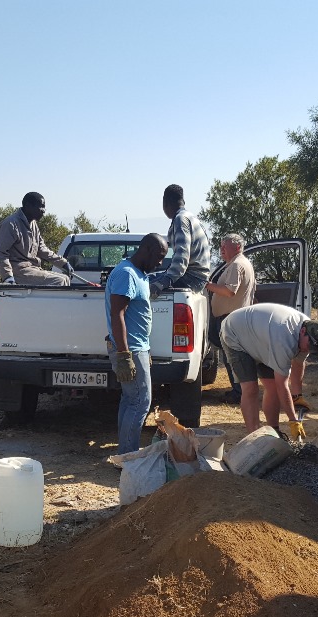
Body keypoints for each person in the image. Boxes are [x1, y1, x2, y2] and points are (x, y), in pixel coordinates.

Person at [220, 303, 318, 439]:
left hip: (262, 337)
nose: (309, 350)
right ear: (303, 332)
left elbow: (298, 363)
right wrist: (293, 420)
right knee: (250, 388)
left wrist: (297, 396)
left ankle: (274, 432)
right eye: (310, 346)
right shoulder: (284, 340)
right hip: (236, 332)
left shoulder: (309, 333)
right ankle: (254, 438)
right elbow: (282, 385)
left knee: (272, 386)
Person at [106, 233, 169, 454]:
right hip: (130, 349)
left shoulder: (139, 273)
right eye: (159, 256)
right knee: (141, 401)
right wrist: (124, 355)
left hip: (137, 347)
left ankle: (126, 453)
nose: (160, 262)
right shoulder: (127, 274)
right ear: (147, 250)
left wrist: (145, 348)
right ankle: (129, 456)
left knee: (131, 399)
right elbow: (118, 314)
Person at [204, 232, 256, 403]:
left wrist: (207, 285)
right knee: (232, 357)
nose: (222, 249)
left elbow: (229, 291)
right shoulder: (240, 263)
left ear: (238, 247)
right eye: (221, 246)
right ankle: (238, 390)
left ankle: (239, 393)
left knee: (233, 358)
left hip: (231, 319)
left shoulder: (236, 265)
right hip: (235, 318)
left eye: (225, 246)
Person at [0, 191, 72, 285]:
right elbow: (1, 253)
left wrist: (63, 263)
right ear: (28, 206)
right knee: (58, 281)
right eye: (40, 207)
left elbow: (42, 249)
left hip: (33, 268)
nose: (43, 211)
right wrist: (8, 277)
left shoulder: (33, 224)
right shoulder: (11, 224)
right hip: (18, 271)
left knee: (65, 278)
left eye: (44, 207)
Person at [148, 184, 210, 296]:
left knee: (141, 285)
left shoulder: (180, 220)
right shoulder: (192, 218)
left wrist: (164, 282)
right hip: (199, 277)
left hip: (191, 278)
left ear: (165, 203)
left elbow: (182, 255)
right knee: (148, 278)